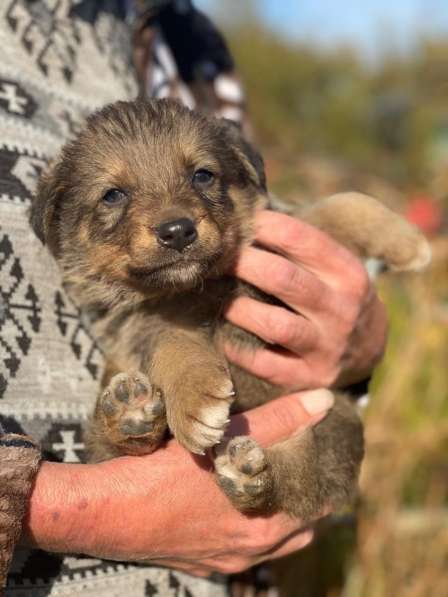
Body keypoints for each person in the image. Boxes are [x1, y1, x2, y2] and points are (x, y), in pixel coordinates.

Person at [0, 1, 386, 594]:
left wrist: (357, 340)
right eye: (113, 197)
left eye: (199, 176)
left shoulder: (186, 33)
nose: (175, 218)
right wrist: (77, 507)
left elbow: (263, 207)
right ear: (54, 218)